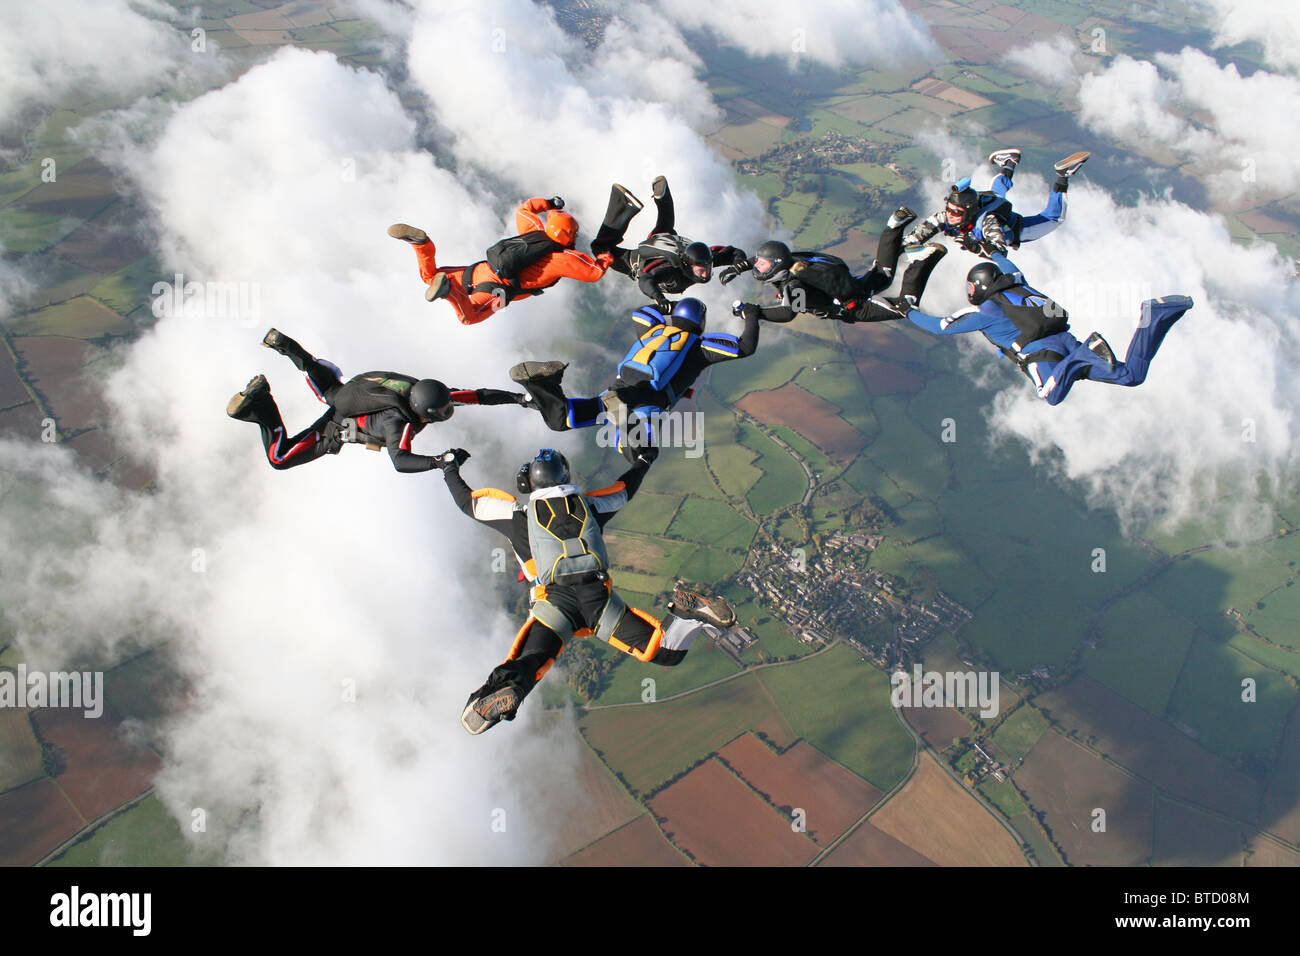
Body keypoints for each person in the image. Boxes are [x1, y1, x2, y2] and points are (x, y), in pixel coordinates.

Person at [434, 446, 737, 733]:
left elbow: (468, 503)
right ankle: (689, 615)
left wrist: (449, 467)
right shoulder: (589, 506)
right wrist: (644, 460)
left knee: (531, 663)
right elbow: (624, 489)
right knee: (666, 653)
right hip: (598, 602)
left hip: (556, 605)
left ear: (529, 482)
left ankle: (499, 693)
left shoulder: (518, 517)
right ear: (566, 477)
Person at [898, 253, 1193, 406]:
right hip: (1066, 339)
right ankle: (1154, 318)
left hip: (1043, 355)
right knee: (1131, 376)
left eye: (971, 286)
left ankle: (1084, 357)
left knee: (1049, 395)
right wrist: (989, 248)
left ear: (981, 287)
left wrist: (907, 311)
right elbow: (1004, 260)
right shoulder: (1018, 282)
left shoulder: (985, 312)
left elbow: (940, 327)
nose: (969, 291)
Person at [226, 328, 530, 471]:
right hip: (338, 422)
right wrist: (439, 462)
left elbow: (477, 396)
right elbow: (401, 461)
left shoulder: (423, 391)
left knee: (316, 372)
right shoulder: (399, 423)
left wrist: (519, 398)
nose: (448, 411)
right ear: (424, 413)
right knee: (280, 459)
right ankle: (261, 403)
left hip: (352, 389)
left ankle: (284, 344)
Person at [509, 296, 759, 460]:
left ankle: (541, 383)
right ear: (701, 323)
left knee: (563, 419)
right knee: (639, 452)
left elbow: (641, 312)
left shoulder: (654, 329)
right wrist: (751, 314)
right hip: (647, 402)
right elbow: (746, 347)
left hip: (617, 390)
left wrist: (668, 306)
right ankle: (622, 418)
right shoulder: (700, 347)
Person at [388, 195, 613, 325]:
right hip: (497, 290)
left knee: (430, 276)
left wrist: (550, 204)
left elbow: (525, 209)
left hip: (479, 270)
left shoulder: (534, 230)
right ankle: (449, 292)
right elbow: (593, 273)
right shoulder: (562, 258)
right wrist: (605, 257)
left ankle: (422, 244)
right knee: (469, 318)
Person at [721, 207, 926, 324]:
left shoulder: (794, 286)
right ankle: (893, 228)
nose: (757, 266)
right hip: (848, 287)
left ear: (776, 266)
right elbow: (767, 257)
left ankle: (922, 260)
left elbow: (789, 313)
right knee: (882, 274)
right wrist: (740, 267)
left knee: (905, 307)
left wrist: (754, 312)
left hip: (853, 306)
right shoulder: (792, 260)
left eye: (762, 264)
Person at [589, 176, 749, 311]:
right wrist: (659, 298)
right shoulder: (670, 270)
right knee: (600, 248)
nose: (706, 274)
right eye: (702, 271)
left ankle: (663, 198)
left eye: (707, 269)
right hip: (635, 260)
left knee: (665, 227)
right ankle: (624, 205)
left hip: (665, 241)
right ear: (687, 265)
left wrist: (738, 266)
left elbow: (734, 253)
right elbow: (645, 279)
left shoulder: (706, 259)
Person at [904, 149, 1091, 256]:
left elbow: (1000, 251)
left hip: (1020, 229)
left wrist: (975, 246)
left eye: (957, 212)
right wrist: (906, 244)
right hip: (992, 206)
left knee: (1054, 217)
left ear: (969, 212)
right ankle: (1009, 162)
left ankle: (1062, 176)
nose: (951, 215)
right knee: (996, 193)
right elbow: (927, 227)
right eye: (949, 209)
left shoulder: (988, 223)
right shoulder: (947, 216)